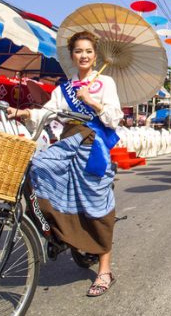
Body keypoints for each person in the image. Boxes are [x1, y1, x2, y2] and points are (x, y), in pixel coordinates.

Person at [9, 31, 122, 296]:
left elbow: (114, 118)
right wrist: (24, 112)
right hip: (68, 142)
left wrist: (92, 102)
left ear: (95, 55)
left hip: (94, 147)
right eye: (79, 51)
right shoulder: (65, 87)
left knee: (97, 206)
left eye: (89, 51)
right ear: (72, 55)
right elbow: (48, 111)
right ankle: (57, 232)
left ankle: (104, 270)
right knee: (36, 167)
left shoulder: (105, 82)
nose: (84, 55)